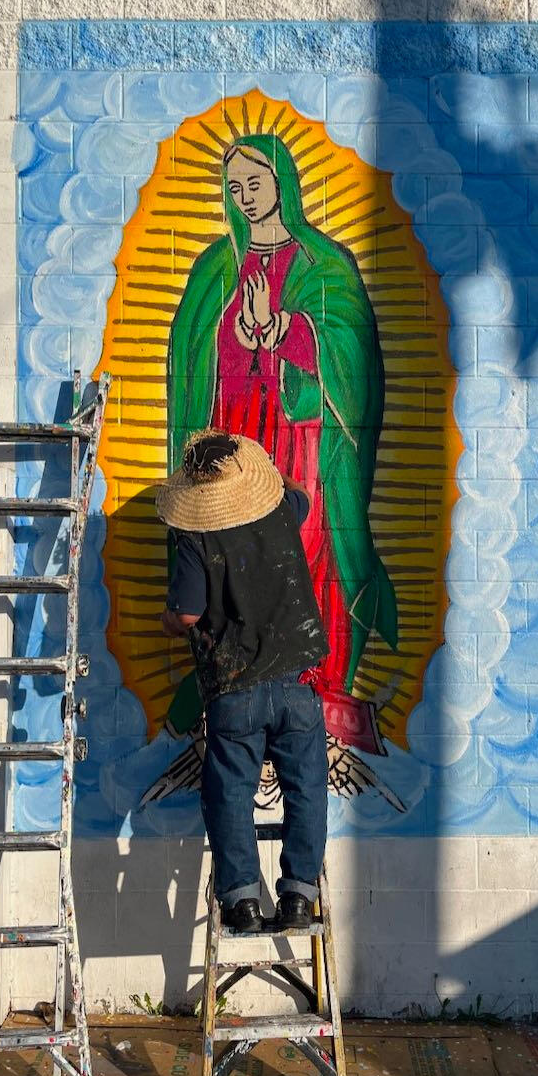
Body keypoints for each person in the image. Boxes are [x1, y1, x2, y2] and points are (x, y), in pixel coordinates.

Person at [164, 132, 397, 752]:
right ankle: (233, 682)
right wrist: (237, 338)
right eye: (234, 187)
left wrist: (282, 329)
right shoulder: (216, 267)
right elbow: (190, 361)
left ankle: (315, 690)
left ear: (283, 183)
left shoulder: (326, 265)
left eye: (255, 182)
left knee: (307, 549)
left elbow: (351, 353)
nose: (244, 196)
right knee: (231, 557)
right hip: (234, 438)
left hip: (300, 440)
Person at [157, 428, 329, 934]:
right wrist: (276, 478)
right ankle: (298, 897)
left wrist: (167, 620)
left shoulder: (194, 536)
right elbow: (300, 495)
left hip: (236, 689)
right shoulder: (281, 511)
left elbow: (186, 615)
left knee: (229, 793)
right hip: (297, 680)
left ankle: (242, 902)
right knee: (306, 788)